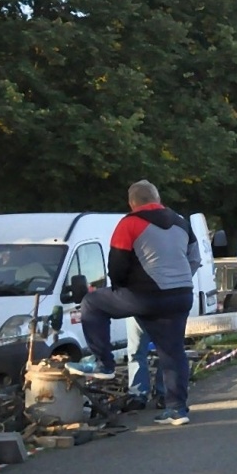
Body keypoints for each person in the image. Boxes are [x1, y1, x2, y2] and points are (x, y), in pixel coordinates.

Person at [68, 180, 197, 426]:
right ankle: (177, 409)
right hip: (181, 295)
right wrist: (179, 281)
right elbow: (194, 257)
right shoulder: (182, 222)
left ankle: (103, 363)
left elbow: (116, 265)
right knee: (173, 351)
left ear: (132, 202)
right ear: (157, 199)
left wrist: (122, 289)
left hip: (145, 296)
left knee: (92, 303)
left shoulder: (129, 223)